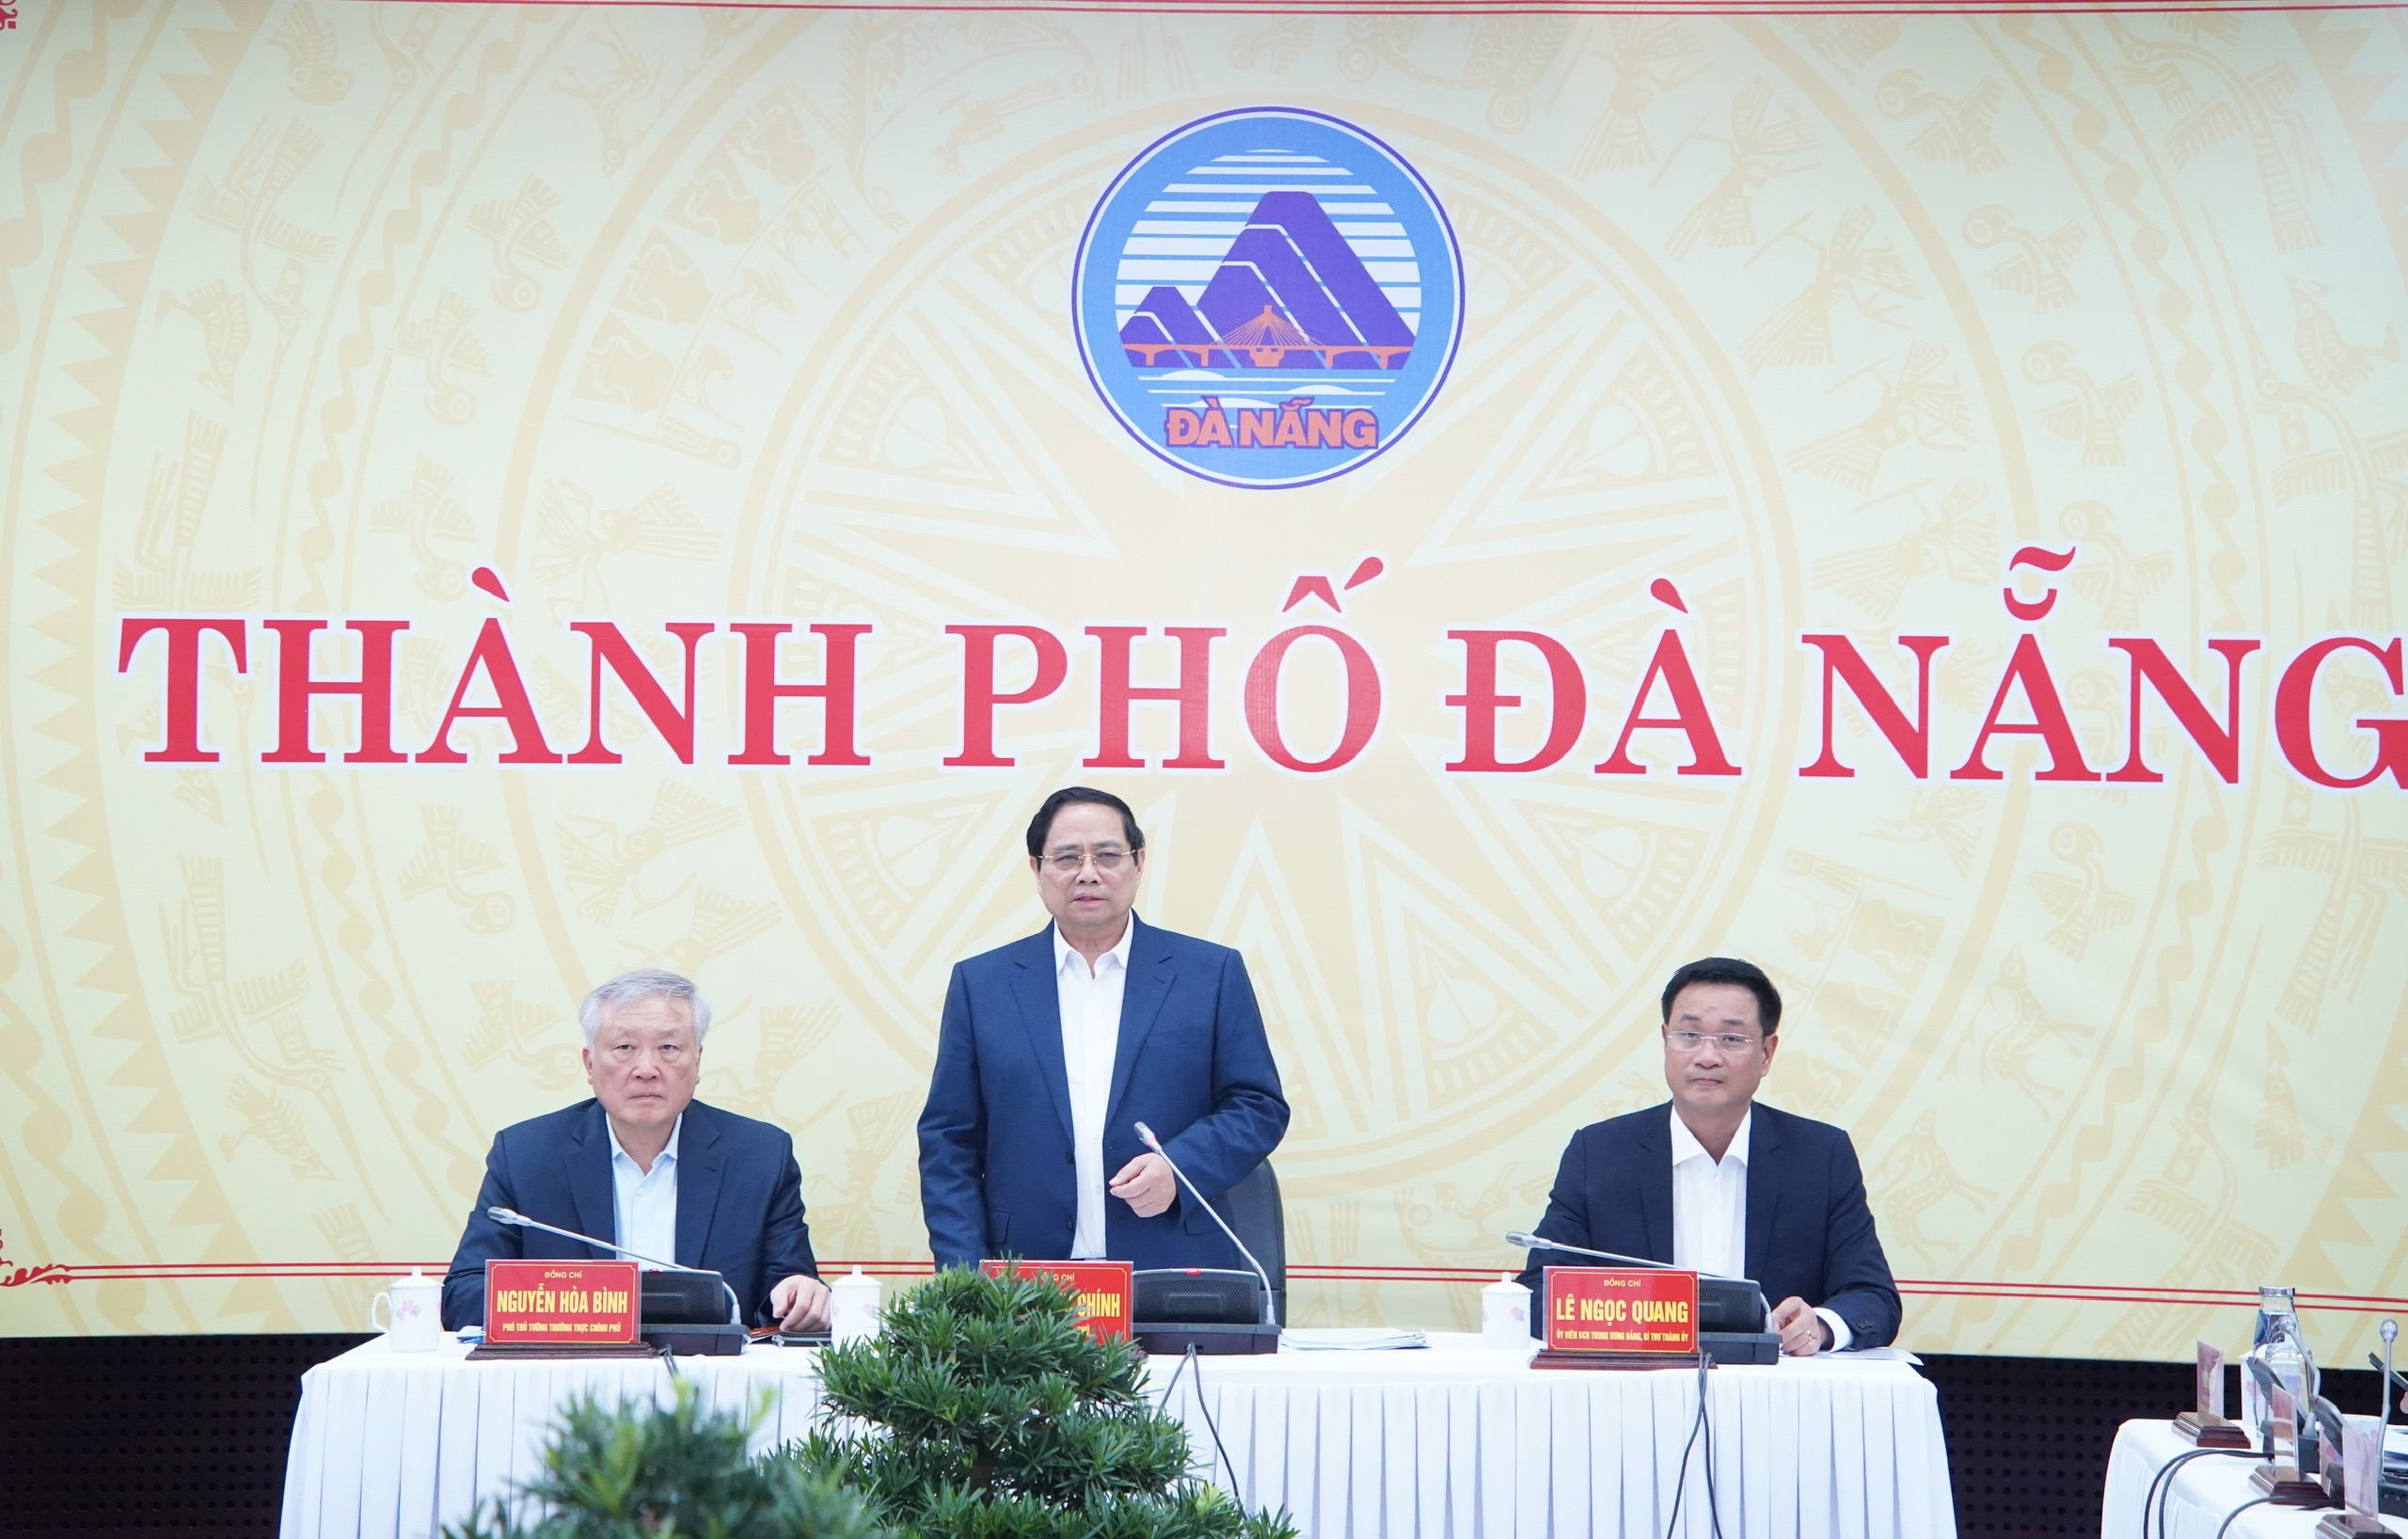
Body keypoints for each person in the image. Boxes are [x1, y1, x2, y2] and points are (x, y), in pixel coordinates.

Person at [917, 786, 1290, 1271]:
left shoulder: (1209, 974)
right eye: (1067, 857)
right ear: (1036, 869)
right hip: (1022, 1277)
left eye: (1108, 855)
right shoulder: (982, 984)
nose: (1088, 873)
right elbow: (949, 1140)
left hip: (1171, 1265)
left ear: (1139, 863)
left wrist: (1179, 1168)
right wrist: (966, 1277)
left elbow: (1258, 1105)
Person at [1515, 957, 1901, 1353]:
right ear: (1665, 1041)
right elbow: (1539, 1291)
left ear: (1767, 1053)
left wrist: (1819, 1326)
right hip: (1642, 1377)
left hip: (1775, 1381)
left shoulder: (1820, 1157)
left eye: (1731, 1039)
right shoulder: (1600, 1153)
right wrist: (1626, 1322)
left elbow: (1873, 1297)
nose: (1707, 1056)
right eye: (1689, 1034)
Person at [441, 969, 831, 1331]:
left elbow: (787, 1289)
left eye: (668, 1047)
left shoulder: (761, 1156)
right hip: (574, 1374)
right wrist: (575, 1310)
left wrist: (800, 1294)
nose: (646, 1068)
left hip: (710, 1375)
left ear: (697, 1061)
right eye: (625, 1047)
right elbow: (464, 1296)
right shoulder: (525, 1156)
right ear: (590, 1064)